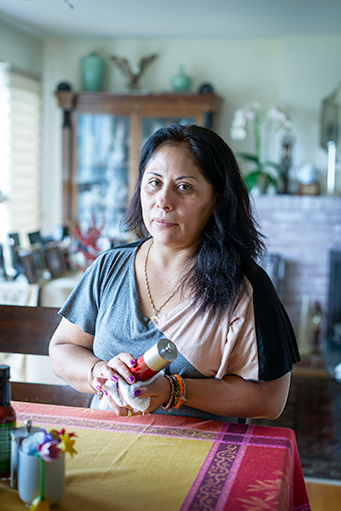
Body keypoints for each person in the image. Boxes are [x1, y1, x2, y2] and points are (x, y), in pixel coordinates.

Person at [49, 124, 300, 422]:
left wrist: (174, 390)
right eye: (154, 182)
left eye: (184, 187)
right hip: (107, 443)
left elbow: (270, 399)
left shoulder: (244, 287)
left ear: (216, 199)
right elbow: (63, 348)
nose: (163, 201)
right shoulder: (109, 267)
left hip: (197, 456)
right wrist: (97, 371)